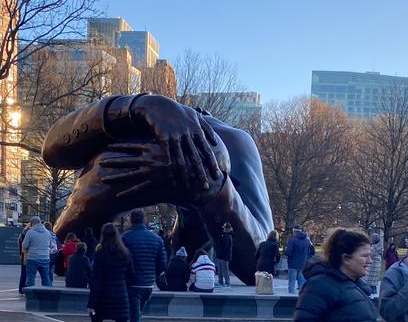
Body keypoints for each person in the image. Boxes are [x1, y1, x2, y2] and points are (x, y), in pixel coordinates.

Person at [45, 93, 274, 288]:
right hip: (142, 131)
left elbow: (257, 260)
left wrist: (212, 189)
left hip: (205, 176)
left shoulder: (233, 141)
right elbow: (51, 151)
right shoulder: (129, 121)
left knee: (190, 232)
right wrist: (136, 106)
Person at [79, 222, 139, 322]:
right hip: (120, 295)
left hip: (103, 297)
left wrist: (91, 303)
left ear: (103, 236)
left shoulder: (100, 253)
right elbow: (132, 275)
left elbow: (96, 280)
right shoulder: (125, 253)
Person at [122, 209, 168, 322]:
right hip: (148, 284)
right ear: (144, 220)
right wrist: (152, 274)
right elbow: (163, 263)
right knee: (138, 316)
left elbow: (122, 261)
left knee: (134, 319)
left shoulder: (125, 238)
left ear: (130, 220)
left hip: (133, 284)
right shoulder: (157, 239)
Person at [21, 216, 55, 288]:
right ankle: (47, 293)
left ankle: (31, 294)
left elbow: (24, 245)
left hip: (32, 258)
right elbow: (51, 245)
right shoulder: (48, 233)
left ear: (31, 223)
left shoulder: (30, 232)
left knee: (31, 277)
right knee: (45, 277)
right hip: (45, 258)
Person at [285, 225, 316, 293]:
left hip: (292, 264)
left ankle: (291, 297)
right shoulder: (307, 240)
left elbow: (288, 253)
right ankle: (301, 298)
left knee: (292, 282)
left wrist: (286, 250)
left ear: (295, 231)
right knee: (301, 282)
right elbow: (312, 250)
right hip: (303, 264)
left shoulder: (292, 240)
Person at [214, 223, 234, 287]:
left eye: (224, 228)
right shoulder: (225, 236)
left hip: (224, 256)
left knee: (224, 270)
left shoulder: (226, 237)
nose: (223, 229)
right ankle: (221, 282)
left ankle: (227, 283)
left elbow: (224, 247)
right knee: (220, 270)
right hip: (221, 256)